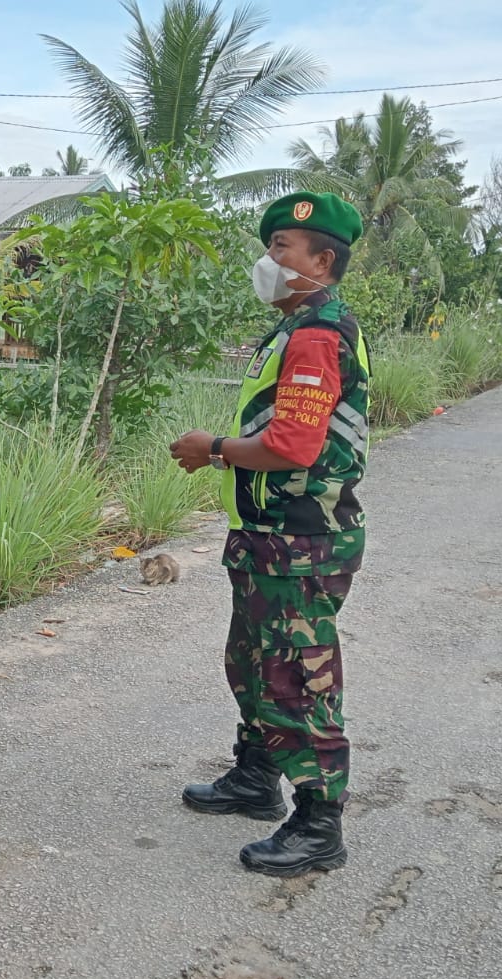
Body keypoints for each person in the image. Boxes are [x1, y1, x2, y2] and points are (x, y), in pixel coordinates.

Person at [169, 191, 370, 877]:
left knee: (298, 678)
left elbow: (291, 445)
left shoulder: (318, 335)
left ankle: (319, 824)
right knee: (254, 662)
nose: (270, 260)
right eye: (272, 245)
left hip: (300, 540)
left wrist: (214, 448)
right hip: (269, 535)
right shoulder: (296, 329)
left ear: (322, 259)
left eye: (283, 247)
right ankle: (256, 777)